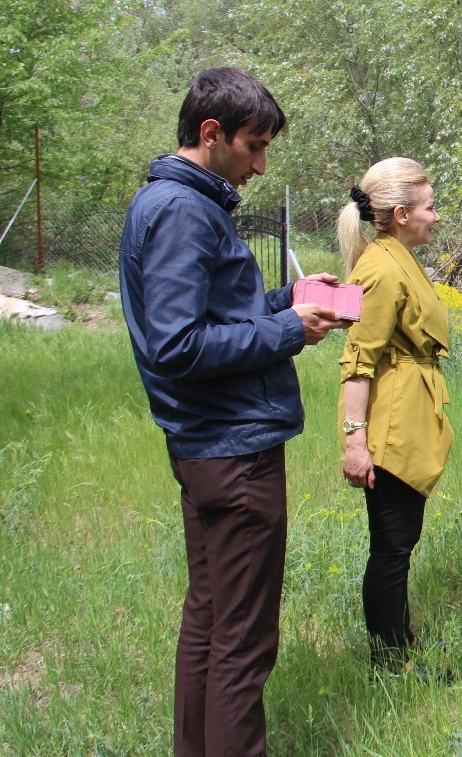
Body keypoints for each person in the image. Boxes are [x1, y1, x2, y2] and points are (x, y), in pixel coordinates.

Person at [119, 67, 350, 756]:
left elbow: (210, 315)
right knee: (244, 640)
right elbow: (177, 344)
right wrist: (289, 333)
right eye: (253, 145)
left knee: (212, 617)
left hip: (208, 446)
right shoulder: (185, 212)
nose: (259, 163)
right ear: (210, 133)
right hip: (233, 452)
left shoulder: (172, 204)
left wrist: (290, 298)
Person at [335, 157, 454, 677]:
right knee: (391, 545)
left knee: (399, 541)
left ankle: (401, 642)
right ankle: (390, 663)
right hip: (390, 424)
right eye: (430, 207)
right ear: (402, 214)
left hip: (409, 411)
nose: (437, 216)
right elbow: (358, 362)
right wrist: (355, 442)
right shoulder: (382, 269)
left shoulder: (396, 255)